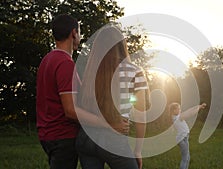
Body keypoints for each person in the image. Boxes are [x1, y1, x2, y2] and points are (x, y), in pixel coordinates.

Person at [36, 14, 129, 169]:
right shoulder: (65, 63)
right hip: (63, 136)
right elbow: (71, 110)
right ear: (74, 33)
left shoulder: (47, 60)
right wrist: (107, 124)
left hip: (47, 135)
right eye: (79, 33)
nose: (80, 37)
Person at [76, 25, 150, 169]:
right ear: (121, 45)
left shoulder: (90, 72)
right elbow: (140, 116)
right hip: (114, 138)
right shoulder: (134, 72)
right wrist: (138, 150)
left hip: (86, 138)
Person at [169, 102, 206, 169]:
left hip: (183, 138)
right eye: (178, 109)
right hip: (183, 139)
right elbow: (190, 113)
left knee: (187, 158)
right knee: (185, 158)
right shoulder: (179, 117)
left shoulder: (175, 117)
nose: (180, 110)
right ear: (174, 110)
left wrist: (198, 106)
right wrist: (198, 108)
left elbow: (188, 111)